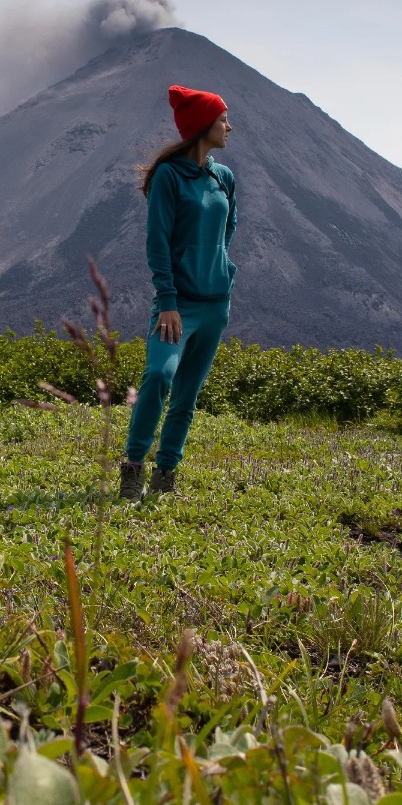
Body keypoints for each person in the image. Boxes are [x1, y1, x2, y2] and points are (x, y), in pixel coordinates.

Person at [119, 85, 236, 500]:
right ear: (203, 125)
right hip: (177, 306)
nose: (229, 126)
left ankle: (165, 475)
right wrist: (167, 301)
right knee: (158, 375)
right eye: (223, 119)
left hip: (215, 305)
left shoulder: (224, 177)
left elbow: (228, 229)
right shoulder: (169, 176)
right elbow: (158, 241)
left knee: (187, 394)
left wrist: (218, 266)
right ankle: (132, 467)